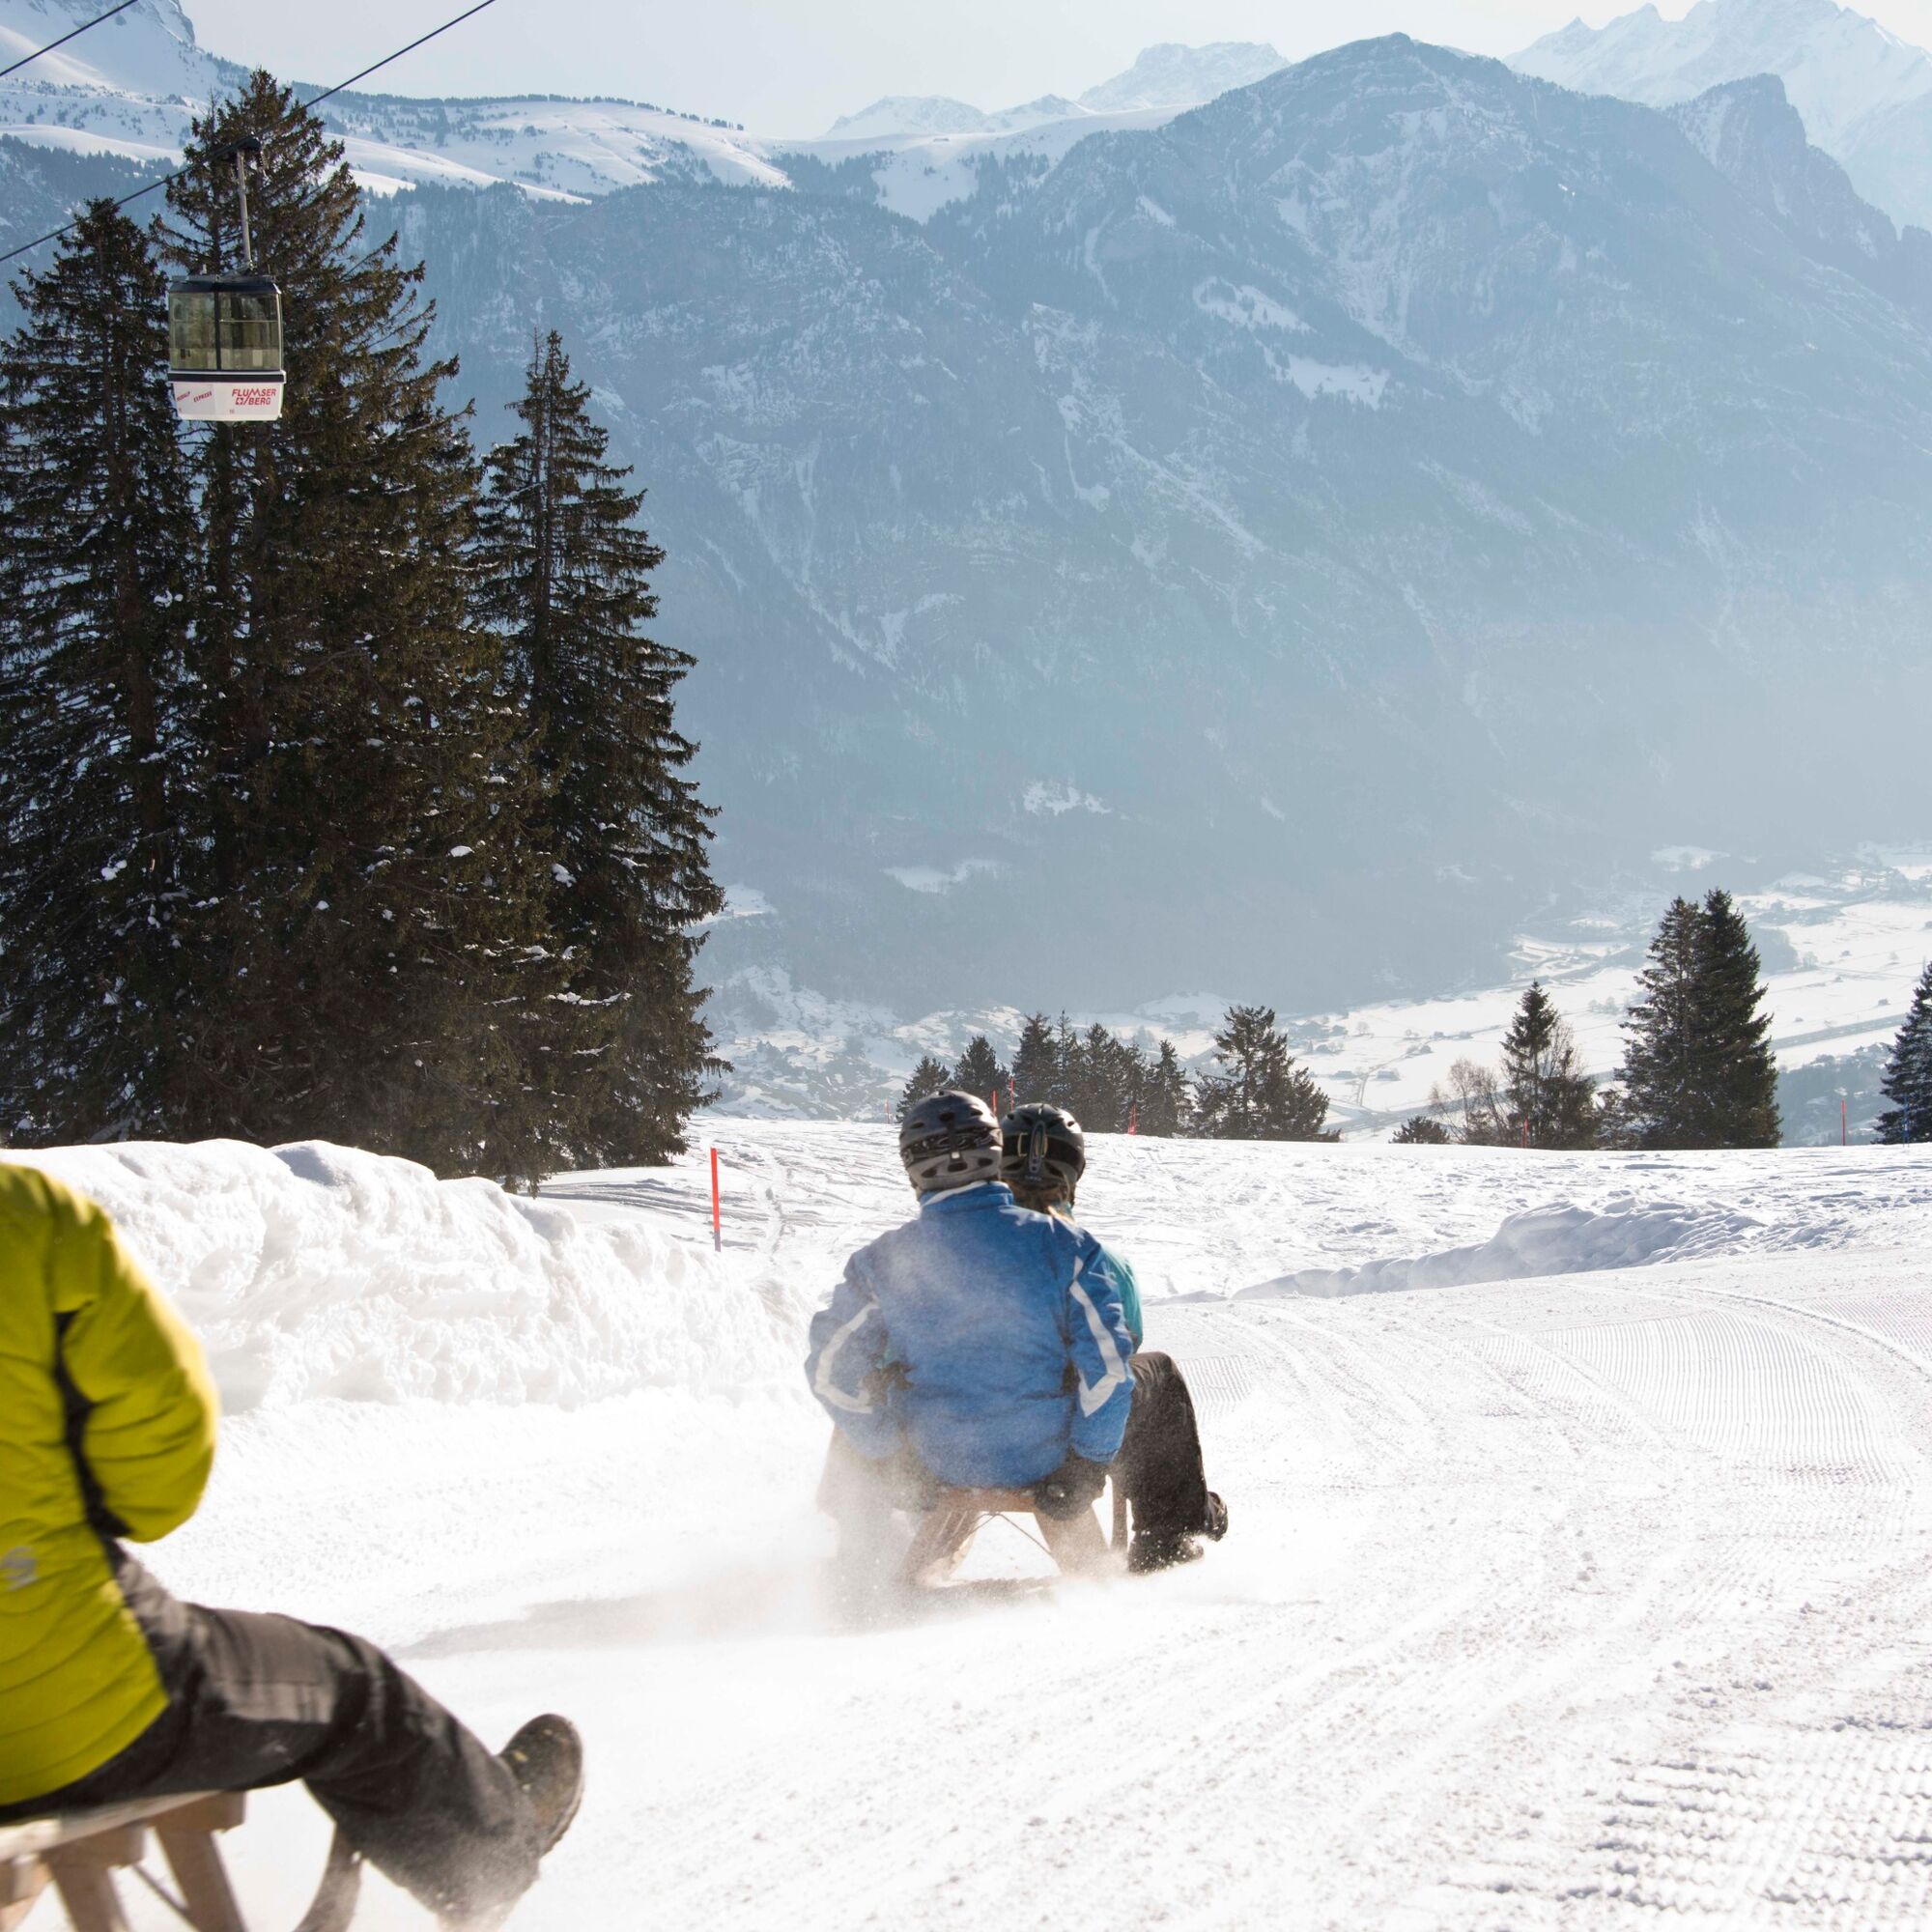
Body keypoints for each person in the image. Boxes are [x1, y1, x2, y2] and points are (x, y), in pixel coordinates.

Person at [0, 1161, 582, 1929]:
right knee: (356, 1692)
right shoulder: (26, 1218)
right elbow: (159, 1476)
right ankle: (490, 1852)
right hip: (64, 1708)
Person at [807, 1092, 1137, 1592]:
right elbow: (1109, 1368)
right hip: (1043, 1456)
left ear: (912, 1169)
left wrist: (888, 1453)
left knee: (869, 1398)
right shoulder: (1066, 1247)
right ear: (995, 1154)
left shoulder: (881, 1262)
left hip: (932, 1457)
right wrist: (1088, 1462)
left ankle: (861, 1568)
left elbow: (832, 1370)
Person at [1002, 1102, 1228, 1572]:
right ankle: (1169, 1533)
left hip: (965, 1432)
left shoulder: (958, 1254)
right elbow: (1124, 1348)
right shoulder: (1101, 1261)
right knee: (1156, 1375)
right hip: (1066, 1443)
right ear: (1075, 1174)